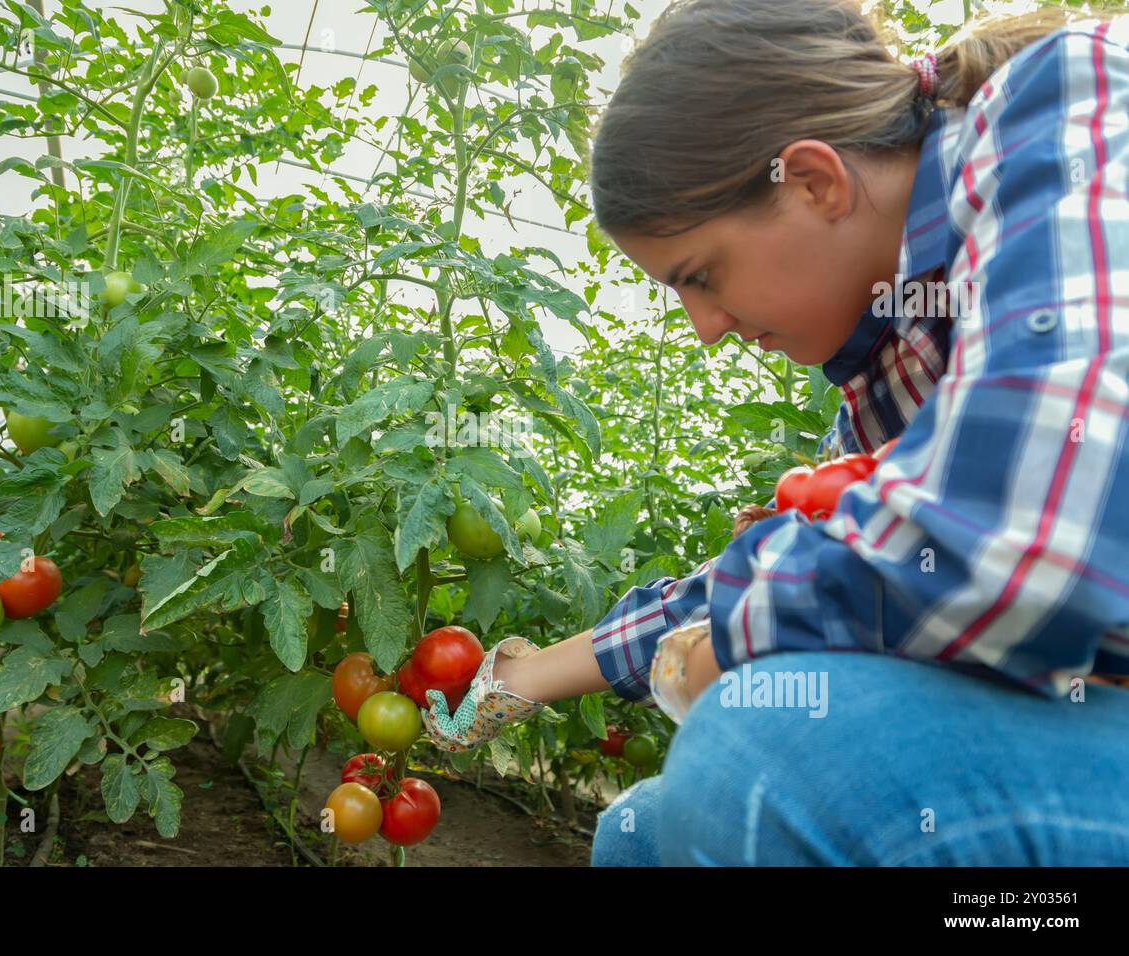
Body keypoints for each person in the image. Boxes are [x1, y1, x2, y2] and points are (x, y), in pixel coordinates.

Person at [423, 0, 1129, 865]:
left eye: (703, 275)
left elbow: (1024, 542)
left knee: (756, 761)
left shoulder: (1069, 113)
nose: (704, 327)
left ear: (813, 181)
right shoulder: (888, 376)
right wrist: (523, 679)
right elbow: (830, 572)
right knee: (636, 834)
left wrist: (733, 638)